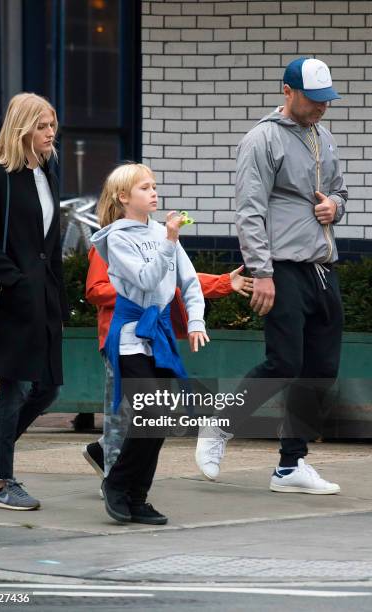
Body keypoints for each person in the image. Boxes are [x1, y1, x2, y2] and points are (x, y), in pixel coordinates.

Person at [195, 57, 347, 494]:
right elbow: (250, 211)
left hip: (322, 268)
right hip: (280, 267)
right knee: (284, 362)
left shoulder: (325, 139)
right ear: (288, 91)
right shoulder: (261, 140)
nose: (321, 108)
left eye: (326, 100)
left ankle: (290, 466)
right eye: (313, 99)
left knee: (321, 369)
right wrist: (261, 271)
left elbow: (340, 192)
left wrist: (335, 207)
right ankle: (221, 425)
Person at [90, 162, 210, 525]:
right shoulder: (116, 238)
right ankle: (117, 485)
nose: (154, 192)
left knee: (158, 422)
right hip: (128, 339)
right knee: (151, 415)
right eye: (145, 187)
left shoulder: (163, 232)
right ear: (124, 197)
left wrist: (196, 321)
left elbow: (188, 283)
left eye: (154, 186)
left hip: (158, 338)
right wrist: (169, 241)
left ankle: (137, 497)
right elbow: (146, 279)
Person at [0, 93, 69, 510]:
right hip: (13, 299)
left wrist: (57, 295)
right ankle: (2, 482)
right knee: (15, 387)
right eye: (42, 126)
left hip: (43, 296)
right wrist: (14, 279)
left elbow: (52, 242)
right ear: (23, 128)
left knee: (48, 389)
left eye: (52, 125)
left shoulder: (48, 171)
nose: (50, 133)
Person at [83, 246, 253, 485]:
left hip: (156, 337)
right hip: (120, 337)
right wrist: (143, 289)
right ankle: (113, 478)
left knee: (148, 412)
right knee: (123, 413)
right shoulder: (108, 244)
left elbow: (178, 283)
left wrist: (223, 282)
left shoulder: (155, 241)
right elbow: (95, 290)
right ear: (123, 206)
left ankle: (104, 455)